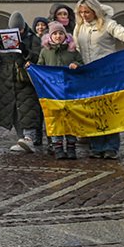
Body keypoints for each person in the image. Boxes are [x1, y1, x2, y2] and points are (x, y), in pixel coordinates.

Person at [74, 0, 124, 159]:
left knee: (109, 111)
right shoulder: (78, 27)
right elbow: (76, 48)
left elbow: (123, 34)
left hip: (107, 73)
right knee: (93, 111)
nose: (84, 15)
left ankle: (111, 146)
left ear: (95, 11)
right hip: (88, 74)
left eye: (87, 12)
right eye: (81, 12)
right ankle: (96, 146)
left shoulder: (107, 24)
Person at [0, 12, 41, 153]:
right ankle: (22, 138)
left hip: (25, 79)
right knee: (13, 111)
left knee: (28, 108)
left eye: (20, 30)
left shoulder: (33, 39)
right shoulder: (5, 38)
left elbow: (38, 57)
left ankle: (29, 138)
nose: (18, 32)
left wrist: (25, 51)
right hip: (8, 79)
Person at [35, 21, 82, 159]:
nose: (58, 36)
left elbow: (81, 63)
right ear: (50, 36)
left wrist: (76, 64)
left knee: (70, 120)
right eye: (55, 33)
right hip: (52, 93)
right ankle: (58, 147)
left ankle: (71, 147)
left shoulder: (72, 51)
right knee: (55, 120)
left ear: (65, 35)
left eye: (60, 33)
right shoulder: (45, 52)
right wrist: (31, 68)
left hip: (69, 92)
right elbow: (40, 67)